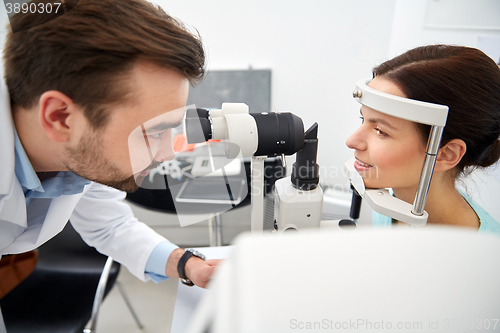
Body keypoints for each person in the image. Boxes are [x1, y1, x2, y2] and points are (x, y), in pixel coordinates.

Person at [0, 0, 220, 306]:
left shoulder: (74, 152)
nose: (169, 153)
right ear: (59, 117)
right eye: (154, 131)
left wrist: (189, 265)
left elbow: (110, 225)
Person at [346, 44, 500, 233]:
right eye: (363, 119)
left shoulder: (487, 256)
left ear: (446, 154)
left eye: (380, 131)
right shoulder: (389, 204)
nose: (352, 141)